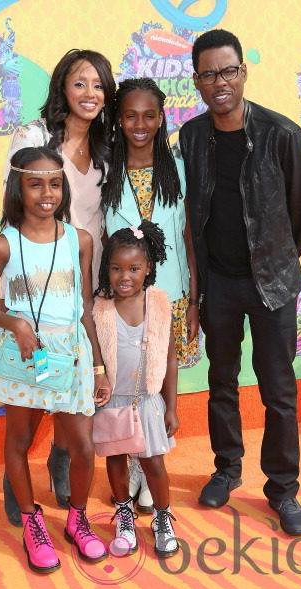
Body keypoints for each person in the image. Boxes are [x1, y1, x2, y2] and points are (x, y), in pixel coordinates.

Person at [179, 29, 301, 536]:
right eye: (208, 74)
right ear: (196, 81)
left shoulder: (282, 135)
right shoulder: (191, 137)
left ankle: (283, 490)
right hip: (218, 285)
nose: (219, 82)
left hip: (272, 288)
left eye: (228, 71)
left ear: (243, 72)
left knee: (279, 393)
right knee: (222, 382)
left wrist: (275, 260)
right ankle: (226, 469)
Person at [0, 147, 111, 573]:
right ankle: (32, 521)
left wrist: (99, 366)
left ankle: (78, 519)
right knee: (19, 441)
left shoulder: (78, 239)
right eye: (35, 184)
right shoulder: (2, 245)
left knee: (84, 446)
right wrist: (16, 324)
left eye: (54, 183)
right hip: (27, 356)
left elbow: (84, 307)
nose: (46, 193)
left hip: (69, 353)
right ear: (18, 187)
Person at [1, 49, 116, 523]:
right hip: (35, 283)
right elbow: (9, 205)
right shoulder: (34, 136)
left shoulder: (109, 149)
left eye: (98, 84)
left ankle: (62, 461)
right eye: (80, 83)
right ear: (62, 89)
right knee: (32, 379)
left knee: (72, 385)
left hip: (82, 284)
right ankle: (15, 477)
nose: (90, 94)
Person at [101, 77, 199, 512]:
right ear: (118, 120)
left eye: (149, 115)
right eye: (129, 116)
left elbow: (188, 233)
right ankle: (134, 459)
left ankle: (145, 468)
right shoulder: (105, 170)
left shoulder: (177, 168)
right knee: (127, 380)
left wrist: (194, 297)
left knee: (158, 381)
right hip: (123, 298)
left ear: (162, 119)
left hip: (169, 293)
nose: (139, 124)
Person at [93, 221, 180, 558]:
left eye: (134, 268)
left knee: (154, 464)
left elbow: (170, 358)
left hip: (147, 401)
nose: (124, 276)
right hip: (112, 400)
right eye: (115, 268)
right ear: (106, 269)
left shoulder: (158, 303)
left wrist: (170, 407)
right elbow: (94, 355)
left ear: (148, 269)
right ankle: (125, 515)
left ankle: (162, 518)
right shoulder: (100, 307)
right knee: (116, 460)